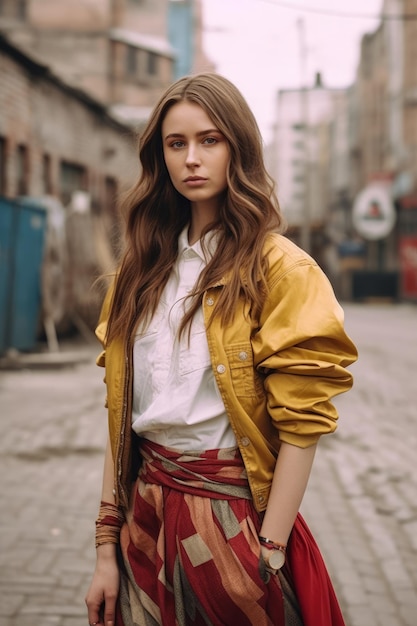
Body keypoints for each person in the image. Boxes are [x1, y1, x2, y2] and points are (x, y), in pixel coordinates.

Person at [85, 72, 358, 626]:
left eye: (210, 140)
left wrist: (271, 549)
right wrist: (104, 547)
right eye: (176, 143)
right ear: (159, 156)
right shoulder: (137, 274)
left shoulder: (280, 269)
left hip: (233, 522)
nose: (191, 159)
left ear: (240, 147)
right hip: (145, 514)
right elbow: (120, 418)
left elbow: (302, 425)